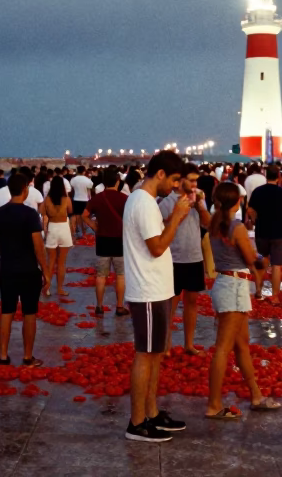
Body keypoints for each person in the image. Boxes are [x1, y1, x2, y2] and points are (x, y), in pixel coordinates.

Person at [122, 150, 191, 443]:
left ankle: (150, 412)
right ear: (160, 174)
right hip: (147, 289)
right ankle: (137, 422)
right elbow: (157, 247)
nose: (175, 186)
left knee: (156, 354)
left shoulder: (146, 201)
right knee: (146, 355)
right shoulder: (143, 203)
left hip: (157, 288)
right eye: (174, 179)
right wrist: (176, 217)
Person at [203, 182, 280, 420]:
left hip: (226, 284)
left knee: (242, 345)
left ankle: (256, 395)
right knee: (223, 348)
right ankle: (214, 405)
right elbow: (249, 258)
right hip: (234, 286)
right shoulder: (235, 227)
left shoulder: (214, 223)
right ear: (237, 202)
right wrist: (261, 260)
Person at [0, 173, 50, 368]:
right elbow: (38, 246)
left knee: (6, 311)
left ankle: (3, 356)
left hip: (7, 268)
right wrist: (46, 271)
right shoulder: (31, 214)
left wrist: (7, 253)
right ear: (25, 190)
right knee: (29, 313)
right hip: (29, 268)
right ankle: (27, 356)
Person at [161, 164, 211, 356]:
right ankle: (166, 344)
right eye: (191, 180)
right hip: (172, 257)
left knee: (192, 302)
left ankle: (189, 344)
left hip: (194, 256)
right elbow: (166, 224)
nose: (194, 184)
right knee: (170, 303)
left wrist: (198, 206)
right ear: (180, 181)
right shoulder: (167, 200)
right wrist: (181, 209)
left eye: (196, 180)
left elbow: (207, 223)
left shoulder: (199, 197)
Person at [82, 169, 129, 318]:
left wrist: (93, 226)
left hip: (102, 240)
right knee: (120, 275)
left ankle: (99, 306)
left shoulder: (98, 198)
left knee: (101, 275)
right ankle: (120, 306)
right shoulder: (124, 198)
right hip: (120, 240)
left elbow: (84, 215)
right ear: (118, 181)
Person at [246, 165, 282, 303]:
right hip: (278, 234)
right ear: (278, 177)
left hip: (261, 233)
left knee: (262, 260)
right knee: (276, 265)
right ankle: (275, 296)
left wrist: (255, 220)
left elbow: (250, 210)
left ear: (266, 176)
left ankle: (258, 291)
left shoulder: (258, 191)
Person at [42, 176, 73, 298]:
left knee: (51, 262)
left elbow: (42, 213)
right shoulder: (67, 199)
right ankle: (60, 289)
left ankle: (47, 288)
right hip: (64, 228)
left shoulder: (47, 199)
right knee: (61, 263)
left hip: (52, 228)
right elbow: (70, 211)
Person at [69, 167, 93, 238]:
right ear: (84, 171)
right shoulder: (87, 180)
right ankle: (86, 231)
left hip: (76, 199)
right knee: (85, 216)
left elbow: (72, 187)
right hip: (85, 200)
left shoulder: (73, 180)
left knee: (78, 216)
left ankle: (81, 231)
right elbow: (90, 188)